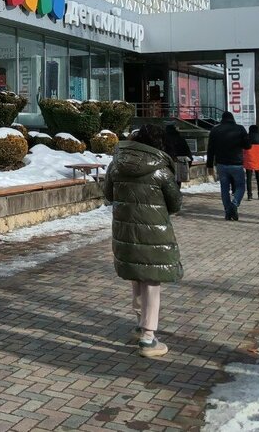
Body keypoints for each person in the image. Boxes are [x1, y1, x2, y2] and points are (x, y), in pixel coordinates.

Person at [102, 124, 182, 358]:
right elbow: (175, 203)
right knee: (151, 283)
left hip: (125, 232)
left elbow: (108, 194)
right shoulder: (161, 170)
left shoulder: (116, 165)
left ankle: (140, 324)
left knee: (137, 277)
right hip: (153, 234)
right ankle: (148, 338)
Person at [205, 111, 251, 221]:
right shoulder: (240, 129)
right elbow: (247, 146)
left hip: (221, 164)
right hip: (236, 164)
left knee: (224, 189)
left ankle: (227, 211)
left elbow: (210, 149)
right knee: (240, 187)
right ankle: (234, 205)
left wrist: (209, 165)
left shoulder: (215, 130)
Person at [243, 125, 259, 200]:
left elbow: (243, 149)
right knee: (258, 177)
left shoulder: (247, 138)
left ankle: (249, 195)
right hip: (258, 161)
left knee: (249, 178)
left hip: (248, 161)